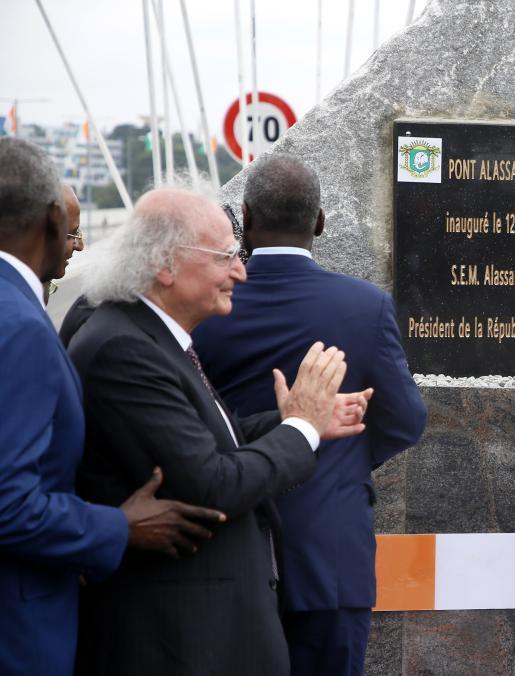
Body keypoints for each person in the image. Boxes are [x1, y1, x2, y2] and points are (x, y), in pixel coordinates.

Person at [65, 187, 369, 676]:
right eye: (225, 257)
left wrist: (292, 419)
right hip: (177, 642)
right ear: (165, 265)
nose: (240, 273)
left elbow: (204, 442)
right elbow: (212, 483)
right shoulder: (125, 349)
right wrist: (300, 428)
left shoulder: (148, 336)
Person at [193, 154, 427, 676]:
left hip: (227, 552)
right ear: (319, 221)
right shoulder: (366, 306)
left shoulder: (208, 304)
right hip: (329, 555)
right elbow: (407, 420)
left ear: (245, 217)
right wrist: (342, 451)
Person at [0, 137, 227, 675]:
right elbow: (9, 504)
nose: (77, 244)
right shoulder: (19, 325)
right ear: (52, 219)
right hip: (20, 631)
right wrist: (117, 527)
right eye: (70, 229)